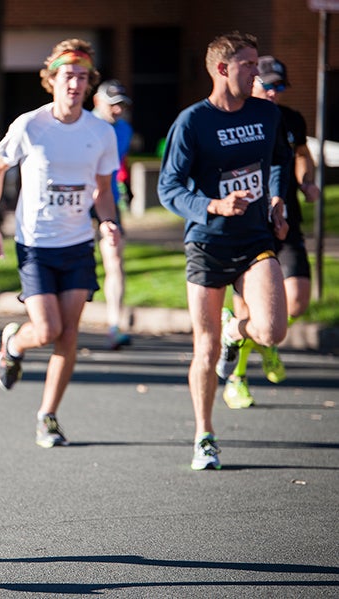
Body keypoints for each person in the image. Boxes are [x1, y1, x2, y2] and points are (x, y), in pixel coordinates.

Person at [157, 32, 289, 469]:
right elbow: (168, 188)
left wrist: (276, 200)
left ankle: (240, 332)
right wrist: (212, 204)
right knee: (205, 348)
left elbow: (276, 163)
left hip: (255, 237)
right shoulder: (193, 122)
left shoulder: (266, 113)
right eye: (249, 64)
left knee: (272, 331)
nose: (257, 72)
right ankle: (204, 436)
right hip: (208, 242)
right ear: (222, 69)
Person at [0, 39, 120, 449]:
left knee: (69, 335)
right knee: (46, 329)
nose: (75, 84)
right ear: (51, 80)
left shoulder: (101, 132)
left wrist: (108, 220)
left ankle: (48, 417)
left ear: (90, 84)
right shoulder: (30, 126)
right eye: (67, 76)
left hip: (77, 243)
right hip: (36, 244)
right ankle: (13, 344)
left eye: (82, 77)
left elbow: (103, 189)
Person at [217, 55, 320, 407]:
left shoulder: (289, 118)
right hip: (247, 227)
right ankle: (238, 377)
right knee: (249, 306)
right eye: (268, 85)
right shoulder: (235, 119)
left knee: (298, 300)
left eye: (279, 86)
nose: (274, 92)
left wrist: (306, 182)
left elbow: (302, 153)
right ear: (251, 81)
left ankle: (265, 337)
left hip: (285, 221)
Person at [92, 80, 134, 350]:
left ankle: (114, 325)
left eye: (121, 105)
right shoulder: (84, 125)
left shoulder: (125, 130)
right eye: (112, 104)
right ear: (97, 102)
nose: (117, 110)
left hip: (109, 201)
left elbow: (119, 164)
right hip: (79, 202)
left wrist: (126, 188)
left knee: (114, 259)